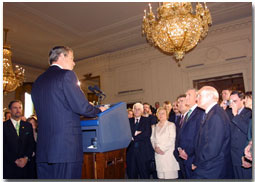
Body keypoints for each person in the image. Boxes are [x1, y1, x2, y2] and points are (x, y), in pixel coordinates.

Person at [31, 46, 106, 179]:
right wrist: (98, 110)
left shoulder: (38, 81)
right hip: (65, 148)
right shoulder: (66, 75)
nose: (74, 63)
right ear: (61, 57)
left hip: (43, 150)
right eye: (72, 58)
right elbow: (82, 107)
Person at [192, 86, 233, 179]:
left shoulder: (215, 115)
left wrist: (197, 162)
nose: (196, 98)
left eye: (199, 95)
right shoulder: (212, 113)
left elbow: (212, 148)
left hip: (211, 168)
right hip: (209, 166)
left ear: (210, 97)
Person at [176, 89, 204, 178]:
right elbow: (182, 136)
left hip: (193, 157)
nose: (186, 97)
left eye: (189, 95)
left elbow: (199, 136)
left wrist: (188, 152)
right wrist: (180, 149)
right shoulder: (187, 115)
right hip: (184, 157)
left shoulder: (200, 112)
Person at [3, 100, 35, 179]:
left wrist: (26, 158)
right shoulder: (4, 126)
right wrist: (14, 160)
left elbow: (31, 144)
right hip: (9, 167)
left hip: (25, 167)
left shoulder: (28, 126)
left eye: (20, 108)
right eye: (15, 108)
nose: (18, 110)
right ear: (10, 110)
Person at [227, 91, 252, 179]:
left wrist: (236, 115)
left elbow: (248, 130)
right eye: (230, 101)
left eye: (235, 101)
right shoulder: (228, 113)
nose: (232, 104)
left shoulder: (249, 112)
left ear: (242, 101)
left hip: (244, 155)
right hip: (233, 156)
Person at [126, 103, 153, 179]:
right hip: (131, 153)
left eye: (139, 109)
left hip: (143, 153)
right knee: (131, 175)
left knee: (144, 175)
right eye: (135, 109)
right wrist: (136, 133)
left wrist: (133, 136)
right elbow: (126, 134)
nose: (137, 111)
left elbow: (147, 134)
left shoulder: (147, 120)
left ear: (142, 111)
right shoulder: (128, 121)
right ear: (133, 110)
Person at [151, 107, 179, 179]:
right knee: (160, 177)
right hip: (158, 156)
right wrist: (155, 148)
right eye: (159, 113)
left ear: (167, 115)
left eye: (163, 113)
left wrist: (162, 149)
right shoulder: (154, 126)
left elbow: (172, 139)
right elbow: (152, 139)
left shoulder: (171, 125)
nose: (161, 115)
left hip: (168, 155)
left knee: (170, 178)